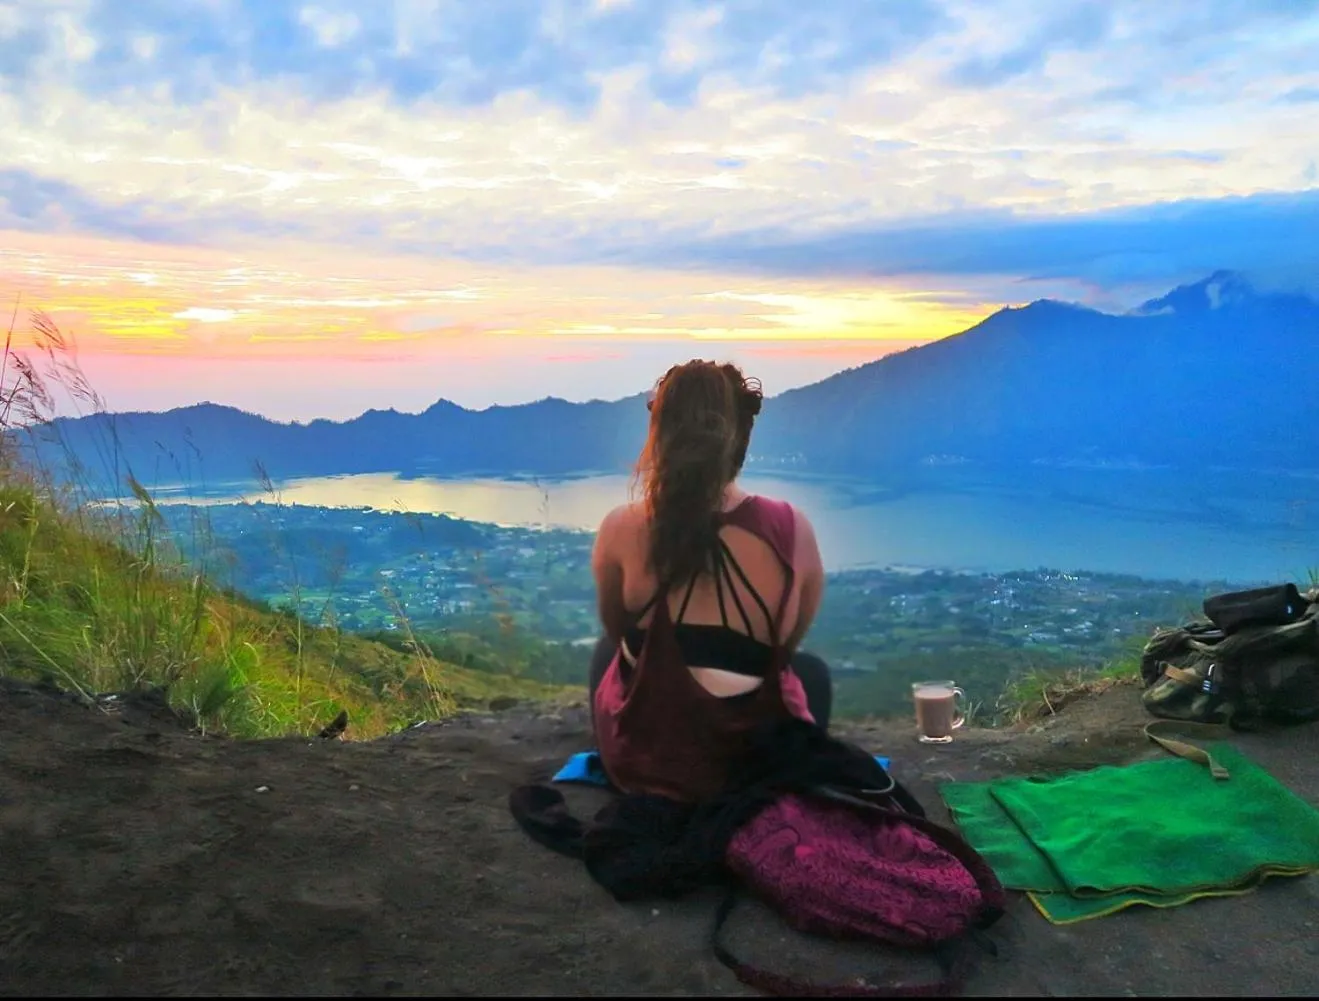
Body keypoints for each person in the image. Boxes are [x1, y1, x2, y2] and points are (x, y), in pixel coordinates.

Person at [587, 359, 832, 802]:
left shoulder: (621, 527)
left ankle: (620, 768)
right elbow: (786, 643)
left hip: (649, 765)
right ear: (740, 438)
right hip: (750, 769)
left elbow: (616, 627)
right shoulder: (790, 528)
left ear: (660, 435)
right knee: (810, 673)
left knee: (609, 652)